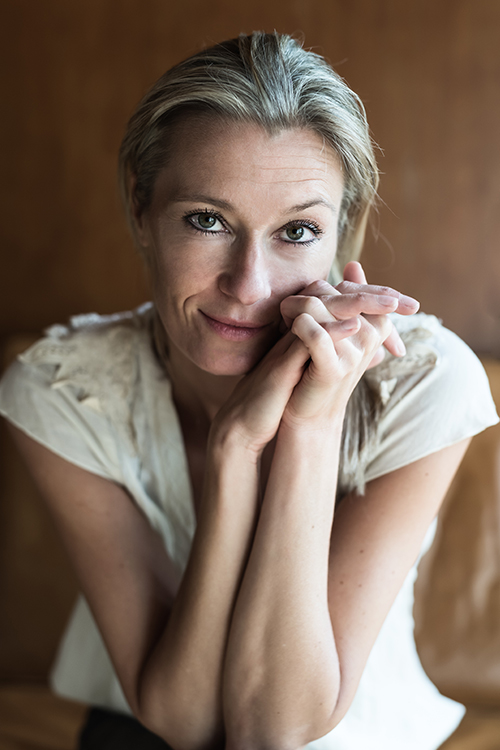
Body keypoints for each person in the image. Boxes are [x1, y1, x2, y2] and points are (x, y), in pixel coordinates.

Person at [0, 31, 498, 750]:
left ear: (341, 240)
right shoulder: (63, 391)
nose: (248, 287)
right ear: (142, 212)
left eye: (297, 231)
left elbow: (278, 729)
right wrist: (237, 449)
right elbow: (181, 719)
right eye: (207, 220)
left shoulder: (422, 383)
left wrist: (309, 427)